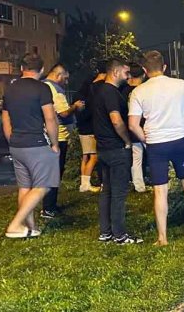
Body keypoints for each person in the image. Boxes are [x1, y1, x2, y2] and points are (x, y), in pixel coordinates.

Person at [128, 50, 184, 246]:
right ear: (164, 67)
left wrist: (146, 139)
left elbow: (133, 124)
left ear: (144, 70)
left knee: (160, 191)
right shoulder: (181, 85)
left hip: (156, 145)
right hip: (179, 141)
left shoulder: (138, 91)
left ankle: (162, 238)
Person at [2, 53, 59, 239]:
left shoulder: (10, 89)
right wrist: (55, 143)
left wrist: (12, 140)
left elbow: (6, 119)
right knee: (44, 184)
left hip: (17, 144)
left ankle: (30, 228)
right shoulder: (42, 89)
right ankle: (15, 224)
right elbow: (50, 118)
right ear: (42, 70)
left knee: (25, 187)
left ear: (21, 69)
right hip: (36, 143)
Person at [92, 58, 142, 245]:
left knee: (107, 191)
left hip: (103, 149)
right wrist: (127, 140)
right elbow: (116, 120)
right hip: (116, 149)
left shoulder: (98, 92)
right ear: (115, 72)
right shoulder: (111, 93)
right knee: (119, 194)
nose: (128, 76)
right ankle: (120, 235)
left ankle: (105, 232)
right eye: (126, 72)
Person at [42, 64, 85, 218]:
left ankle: (49, 205)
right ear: (58, 75)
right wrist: (76, 106)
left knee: (51, 172)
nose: (66, 82)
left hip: (50, 136)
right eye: (65, 79)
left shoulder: (43, 86)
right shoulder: (54, 89)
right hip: (58, 137)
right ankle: (49, 207)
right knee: (54, 173)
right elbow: (64, 112)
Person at [75, 64, 106, 192]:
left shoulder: (80, 96)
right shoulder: (93, 93)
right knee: (94, 156)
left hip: (82, 128)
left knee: (85, 156)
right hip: (89, 128)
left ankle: (83, 183)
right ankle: (86, 184)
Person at [122, 64, 148, 193]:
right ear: (143, 75)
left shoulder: (125, 91)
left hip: (132, 127)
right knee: (155, 155)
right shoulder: (144, 90)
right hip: (147, 127)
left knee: (136, 158)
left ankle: (139, 185)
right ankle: (160, 181)